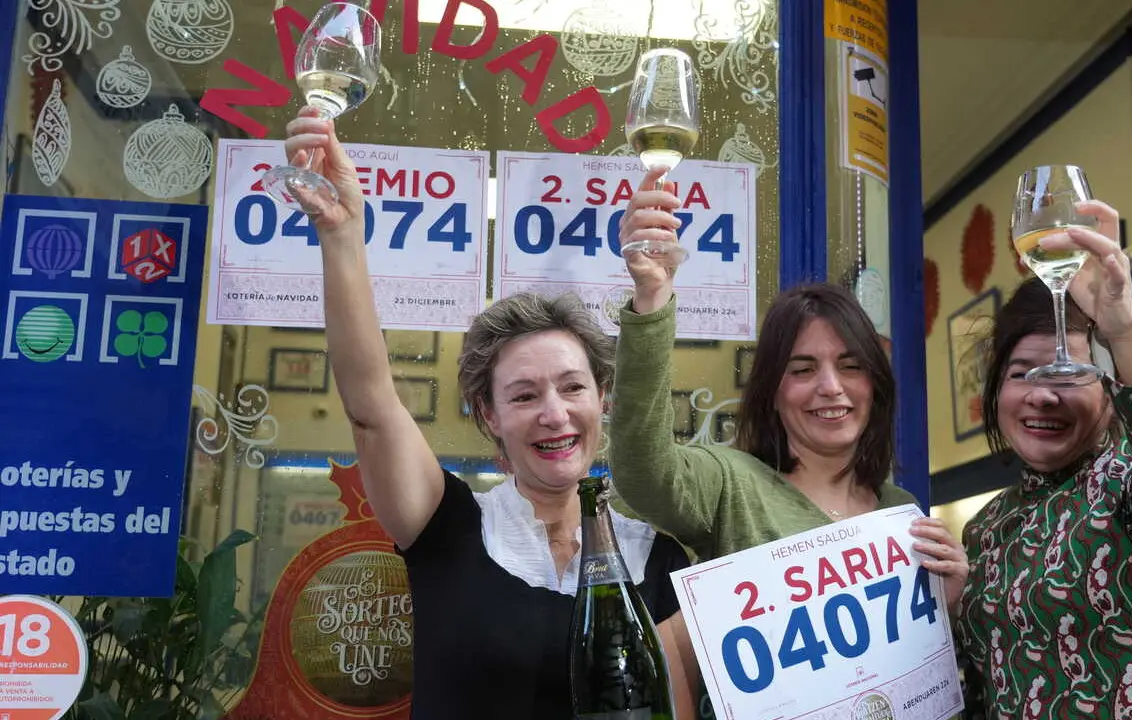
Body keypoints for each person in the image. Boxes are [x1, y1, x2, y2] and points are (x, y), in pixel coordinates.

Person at [283, 108, 697, 719]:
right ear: (489, 415)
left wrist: (653, 291)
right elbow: (370, 407)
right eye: (524, 396)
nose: (553, 413)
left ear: (603, 400)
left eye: (572, 388)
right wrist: (341, 235)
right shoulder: (447, 526)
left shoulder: (657, 558)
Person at [606, 167, 969, 711]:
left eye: (850, 366)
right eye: (802, 370)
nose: (830, 387)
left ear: (875, 382)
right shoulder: (732, 483)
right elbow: (641, 467)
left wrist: (950, 601)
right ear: (772, 391)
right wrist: (652, 298)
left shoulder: (901, 512)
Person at [954, 200, 1132, 718]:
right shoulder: (986, 526)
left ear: (1110, 389)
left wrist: (1123, 333)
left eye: (1068, 373)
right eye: (1021, 373)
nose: (1042, 394)